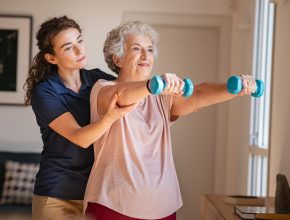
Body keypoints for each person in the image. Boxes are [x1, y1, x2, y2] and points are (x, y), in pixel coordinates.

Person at [84, 21, 257, 220]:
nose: (145, 56)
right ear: (118, 59)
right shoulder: (103, 88)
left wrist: (235, 88)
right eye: (136, 49)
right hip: (113, 205)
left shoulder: (161, 96)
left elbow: (199, 93)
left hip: (162, 207)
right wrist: (152, 85)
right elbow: (121, 95)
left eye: (149, 50)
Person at [24, 16, 135, 220]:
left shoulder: (97, 79)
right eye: (68, 47)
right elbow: (80, 138)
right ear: (52, 58)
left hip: (95, 193)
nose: (79, 50)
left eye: (80, 41)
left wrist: (168, 103)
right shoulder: (45, 92)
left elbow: (130, 91)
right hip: (57, 195)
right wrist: (110, 116)